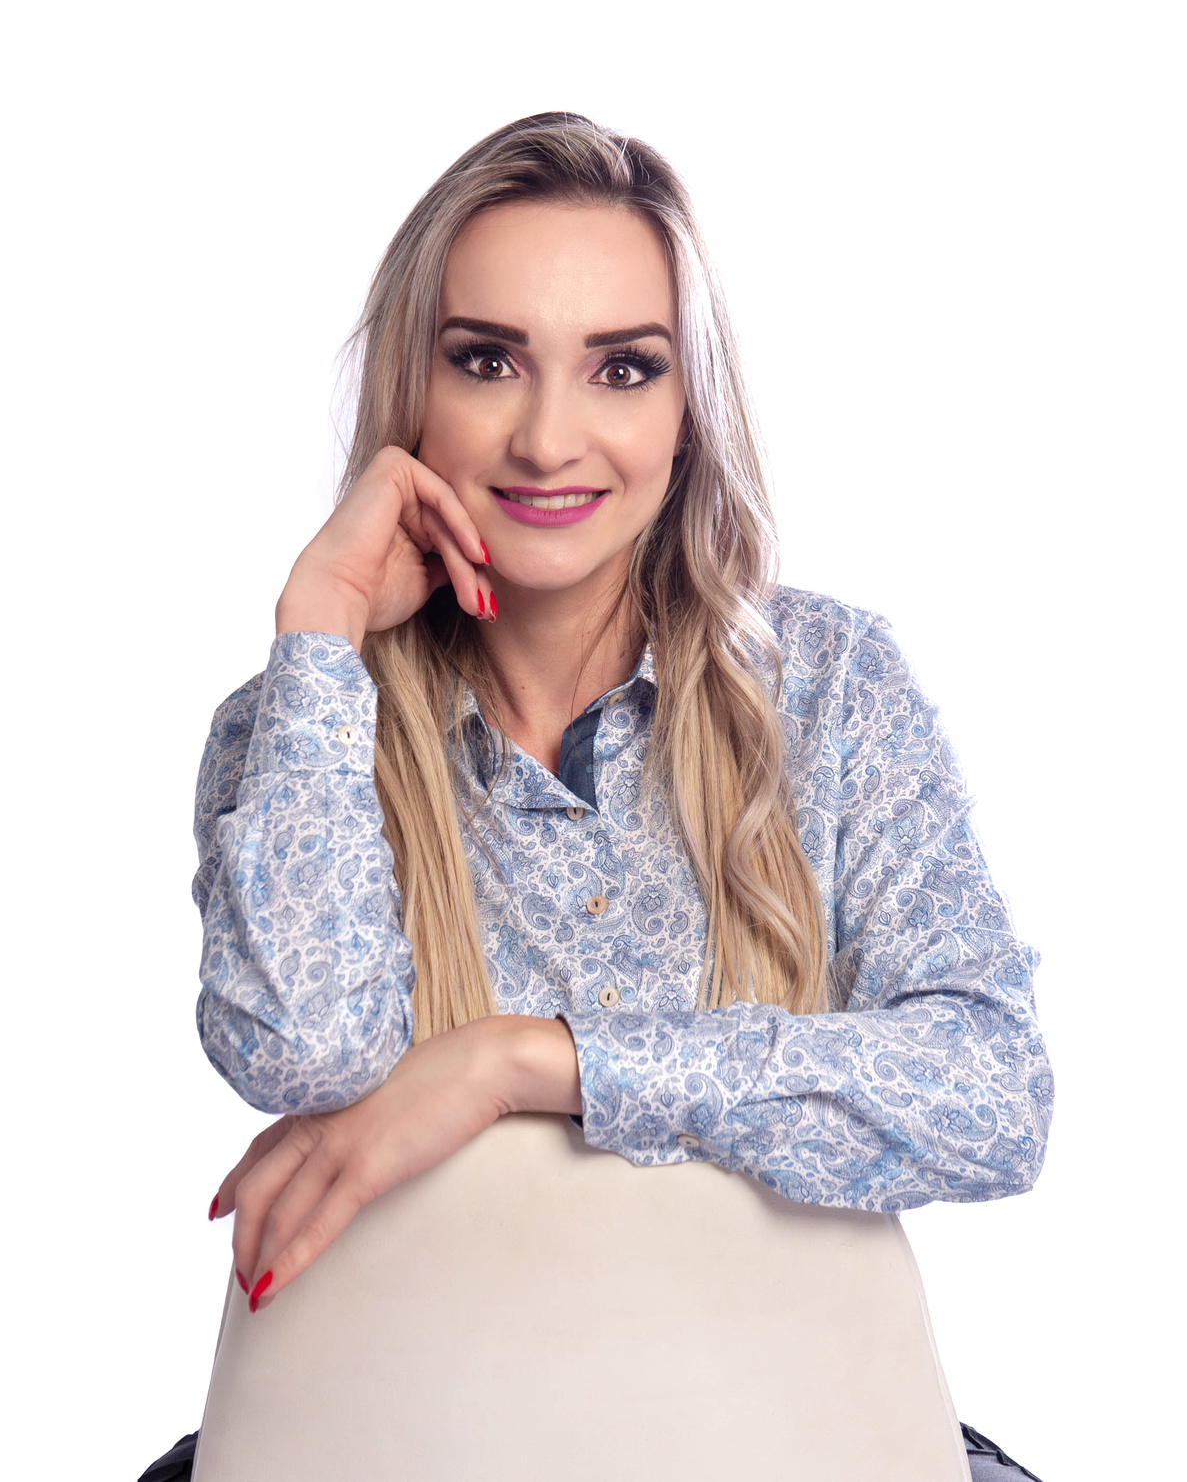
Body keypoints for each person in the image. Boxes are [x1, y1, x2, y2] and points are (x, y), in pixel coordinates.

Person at [156, 113, 1052, 1481]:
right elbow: (304, 1056)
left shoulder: (830, 686)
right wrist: (322, 627)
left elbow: (991, 1095)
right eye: (486, 360)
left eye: (622, 368)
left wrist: (525, 1063)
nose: (546, 437)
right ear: (411, 392)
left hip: (794, 1431)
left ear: (686, 413)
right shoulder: (300, 720)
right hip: (404, 1433)